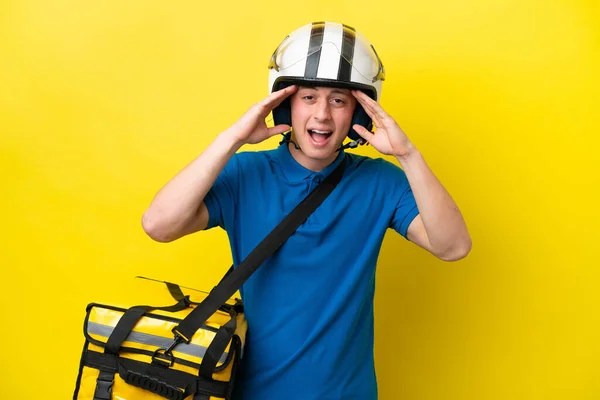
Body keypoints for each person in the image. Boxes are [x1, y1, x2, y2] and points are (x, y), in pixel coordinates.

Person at [142, 21, 471, 400]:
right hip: (252, 393)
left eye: (338, 100)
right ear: (285, 105)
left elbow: (453, 247)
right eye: (308, 97)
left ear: (358, 115)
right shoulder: (246, 174)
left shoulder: (382, 182)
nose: (322, 116)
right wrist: (231, 139)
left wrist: (408, 155)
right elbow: (159, 225)